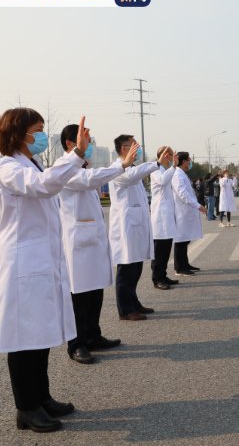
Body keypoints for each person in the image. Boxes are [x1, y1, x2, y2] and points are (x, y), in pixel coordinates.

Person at [0, 109, 88, 433]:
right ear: (19, 133)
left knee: (40, 333)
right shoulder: (7, 167)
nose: (42, 136)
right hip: (22, 263)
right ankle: (26, 408)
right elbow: (43, 186)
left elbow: (46, 184)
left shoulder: (32, 164)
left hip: (40, 261)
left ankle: (42, 397)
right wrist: (75, 155)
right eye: (38, 130)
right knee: (23, 339)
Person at [58, 124, 136, 365]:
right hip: (77, 242)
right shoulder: (64, 167)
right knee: (79, 294)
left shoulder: (83, 166)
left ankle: (93, 335)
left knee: (94, 291)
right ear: (71, 144)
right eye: (86, 140)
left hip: (91, 240)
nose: (90, 145)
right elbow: (89, 180)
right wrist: (121, 164)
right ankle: (77, 344)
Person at [109, 135, 166, 321]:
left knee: (135, 268)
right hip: (126, 228)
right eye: (134, 146)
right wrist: (156, 163)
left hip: (136, 226)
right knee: (126, 269)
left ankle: (134, 303)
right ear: (125, 148)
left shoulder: (132, 168)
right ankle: (125, 310)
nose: (138, 149)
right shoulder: (116, 169)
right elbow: (132, 177)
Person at [172, 152, 207, 275]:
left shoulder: (182, 174)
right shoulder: (177, 175)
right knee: (180, 240)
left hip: (186, 212)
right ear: (184, 161)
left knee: (185, 240)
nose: (190, 161)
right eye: (189, 159)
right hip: (181, 212)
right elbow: (183, 194)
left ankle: (185, 264)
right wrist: (198, 206)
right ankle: (179, 268)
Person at [149, 146, 177, 291]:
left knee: (166, 249)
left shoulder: (165, 170)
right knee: (159, 251)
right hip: (159, 217)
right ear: (165, 156)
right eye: (171, 155)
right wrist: (174, 167)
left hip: (167, 217)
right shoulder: (155, 170)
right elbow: (162, 181)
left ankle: (163, 275)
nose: (173, 157)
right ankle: (157, 279)